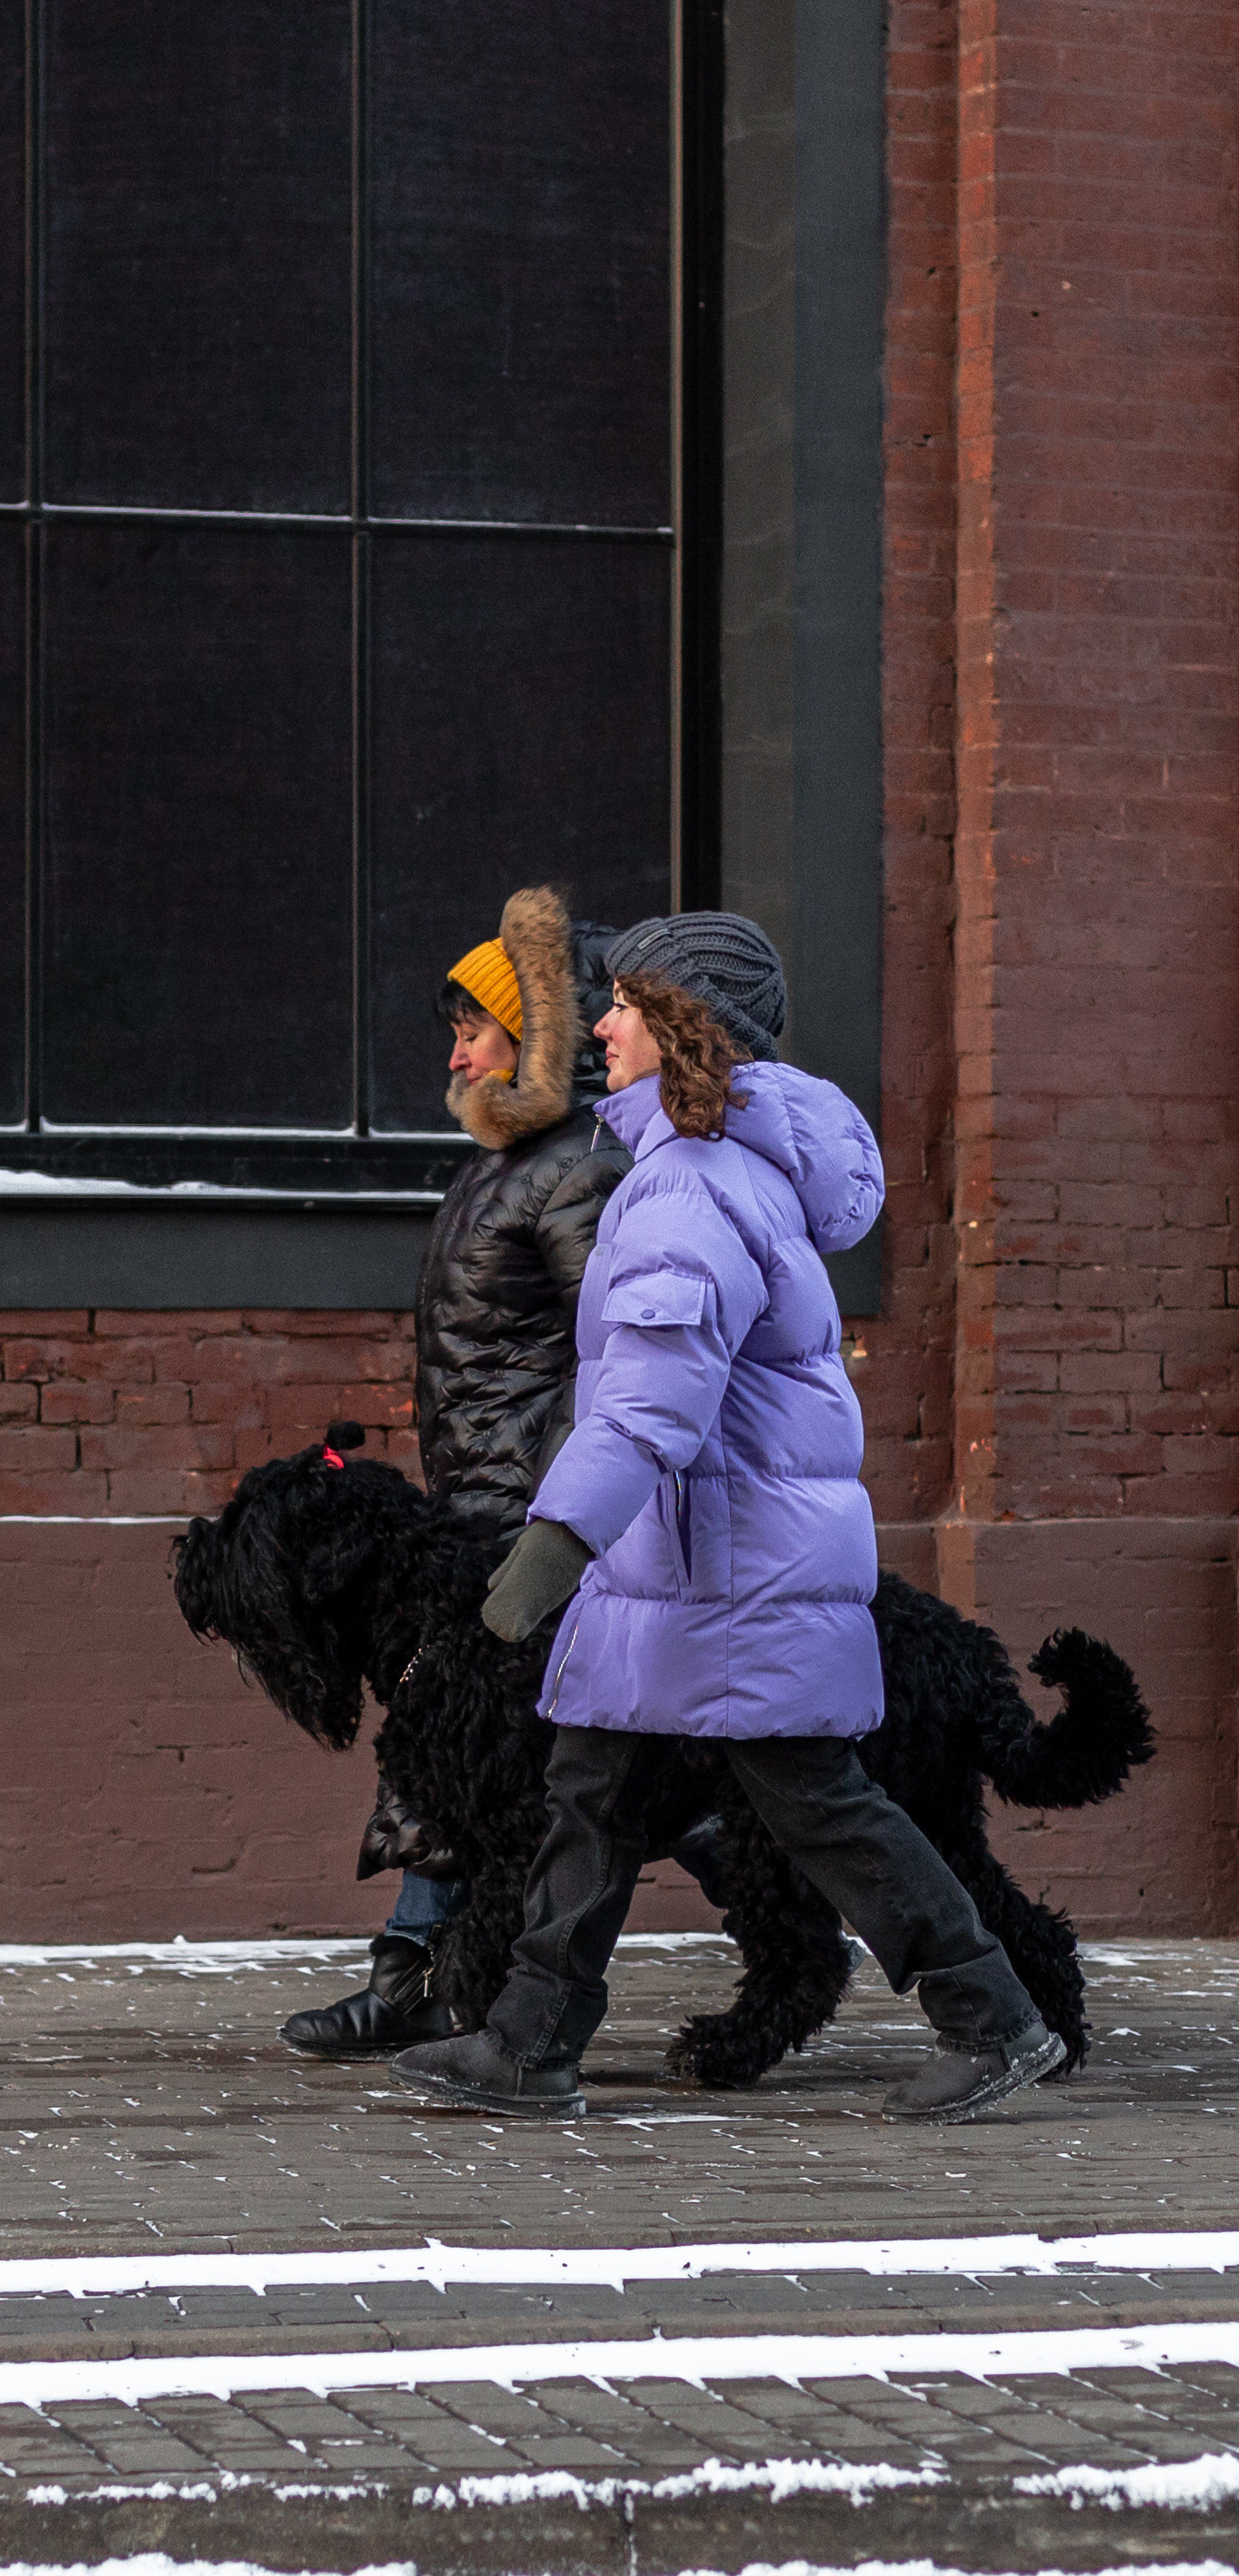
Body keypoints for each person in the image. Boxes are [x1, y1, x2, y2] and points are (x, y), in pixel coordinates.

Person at [389, 912, 1064, 2129]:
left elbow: (654, 1393)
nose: (597, 1024)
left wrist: (555, 1541)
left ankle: (995, 2016)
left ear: (684, 1023)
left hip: (724, 1568)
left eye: (624, 1005)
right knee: (589, 1786)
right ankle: (531, 2040)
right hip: (687, 1562)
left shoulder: (691, 1189)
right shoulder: (709, 1171)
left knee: (815, 1800)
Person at [283, 887, 722, 2060]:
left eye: (475, 1026)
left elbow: (616, 1353)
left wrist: (557, 1515)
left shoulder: (577, 1167)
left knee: (538, 1762)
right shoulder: (502, 1162)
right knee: (501, 1755)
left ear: (537, 1039)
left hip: (529, 1524)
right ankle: (422, 1972)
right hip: (476, 1511)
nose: (456, 1048)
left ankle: (428, 1978)